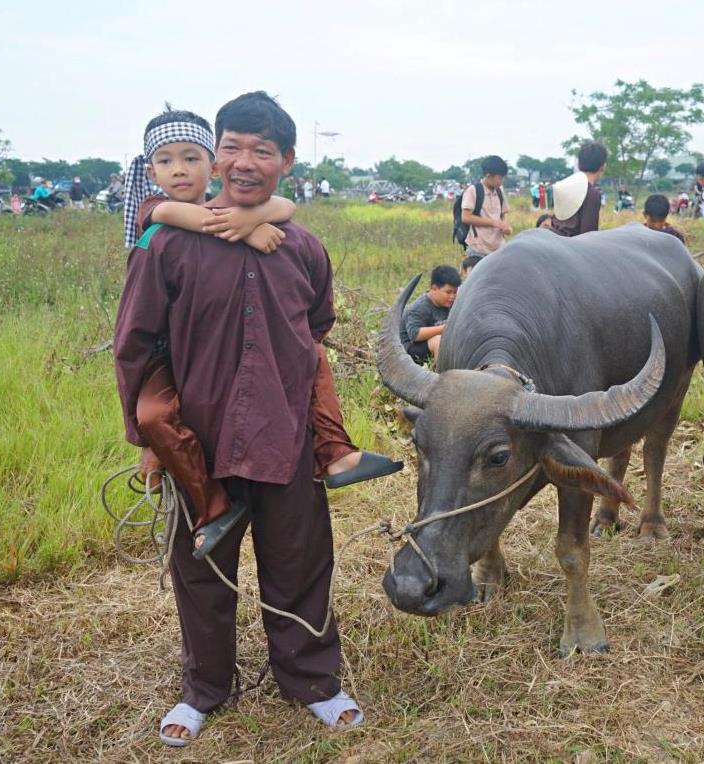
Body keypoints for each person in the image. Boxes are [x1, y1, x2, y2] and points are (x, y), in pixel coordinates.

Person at [114, 93, 373, 745]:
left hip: (286, 437)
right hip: (199, 440)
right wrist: (149, 439)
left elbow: (316, 325)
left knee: (301, 562)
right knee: (202, 569)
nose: (245, 161)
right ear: (216, 153)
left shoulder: (303, 247)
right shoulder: (166, 244)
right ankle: (204, 688)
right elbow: (136, 343)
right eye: (232, 146)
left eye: (263, 150)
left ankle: (313, 681)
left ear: (287, 161)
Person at [399, 265, 460, 363]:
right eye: (448, 292)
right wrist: (444, 329)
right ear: (434, 289)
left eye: (455, 292)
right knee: (438, 341)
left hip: (434, 345)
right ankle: (440, 371)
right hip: (411, 351)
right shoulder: (420, 307)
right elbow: (415, 334)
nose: (452, 296)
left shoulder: (450, 304)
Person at [460, 155, 511, 260]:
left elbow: (503, 215)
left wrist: (505, 227)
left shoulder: (499, 191)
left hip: (498, 249)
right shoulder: (473, 191)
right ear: (488, 176)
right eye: (499, 178)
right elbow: (466, 217)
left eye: (503, 178)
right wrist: (493, 223)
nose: (501, 181)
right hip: (478, 250)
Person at [551, 141, 607, 237]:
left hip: (553, 239)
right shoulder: (592, 193)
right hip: (572, 244)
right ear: (603, 166)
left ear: (579, 164)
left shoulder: (562, 186)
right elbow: (588, 235)